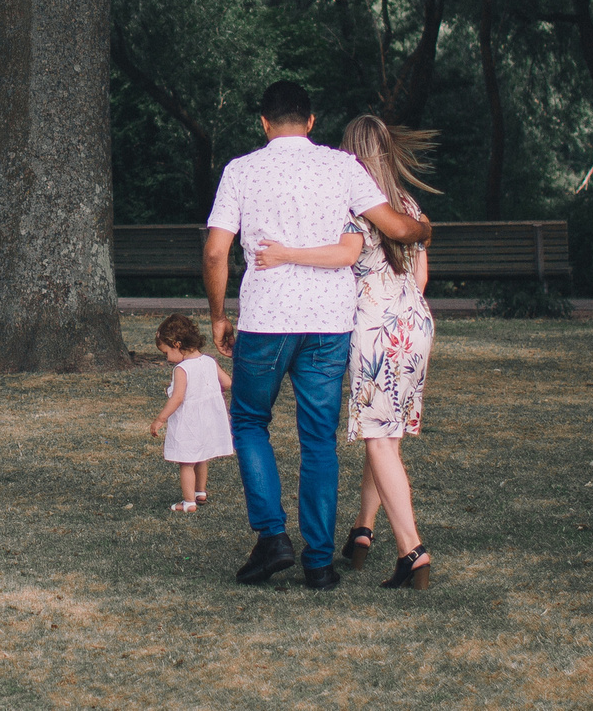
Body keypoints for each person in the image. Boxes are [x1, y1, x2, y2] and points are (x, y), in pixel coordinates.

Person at [204, 80, 432, 588]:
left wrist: (219, 317)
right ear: (310, 122)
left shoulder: (240, 171)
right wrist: (422, 231)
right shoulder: (342, 166)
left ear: (263, 123)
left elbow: (217, 251)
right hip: (330, 325)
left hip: (266, 322)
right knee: (318, 440)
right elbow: (395, 227)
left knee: (248, 421)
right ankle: (319, 562)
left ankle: (271, 538)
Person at [259, 115, 439, 590]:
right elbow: (419, 278)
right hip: (416, 322)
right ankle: (363, 529)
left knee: (377, 437)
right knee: (386, 436)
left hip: (375, 328)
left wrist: (285, 254)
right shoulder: (407, 205)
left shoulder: (354, 203)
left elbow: (343, 255)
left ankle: (412, 551)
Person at [147, 313, 233, 511]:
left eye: (166, 352)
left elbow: (177, 398)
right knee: (202, 456)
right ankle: (200, 492)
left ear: (177, 344)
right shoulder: (209, 361)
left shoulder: (182, 369)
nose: (167, 358)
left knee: (186, 462)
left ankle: (188, 502)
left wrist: (161, 419)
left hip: (190, 422)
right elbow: (227, 383)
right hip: (209, 420)